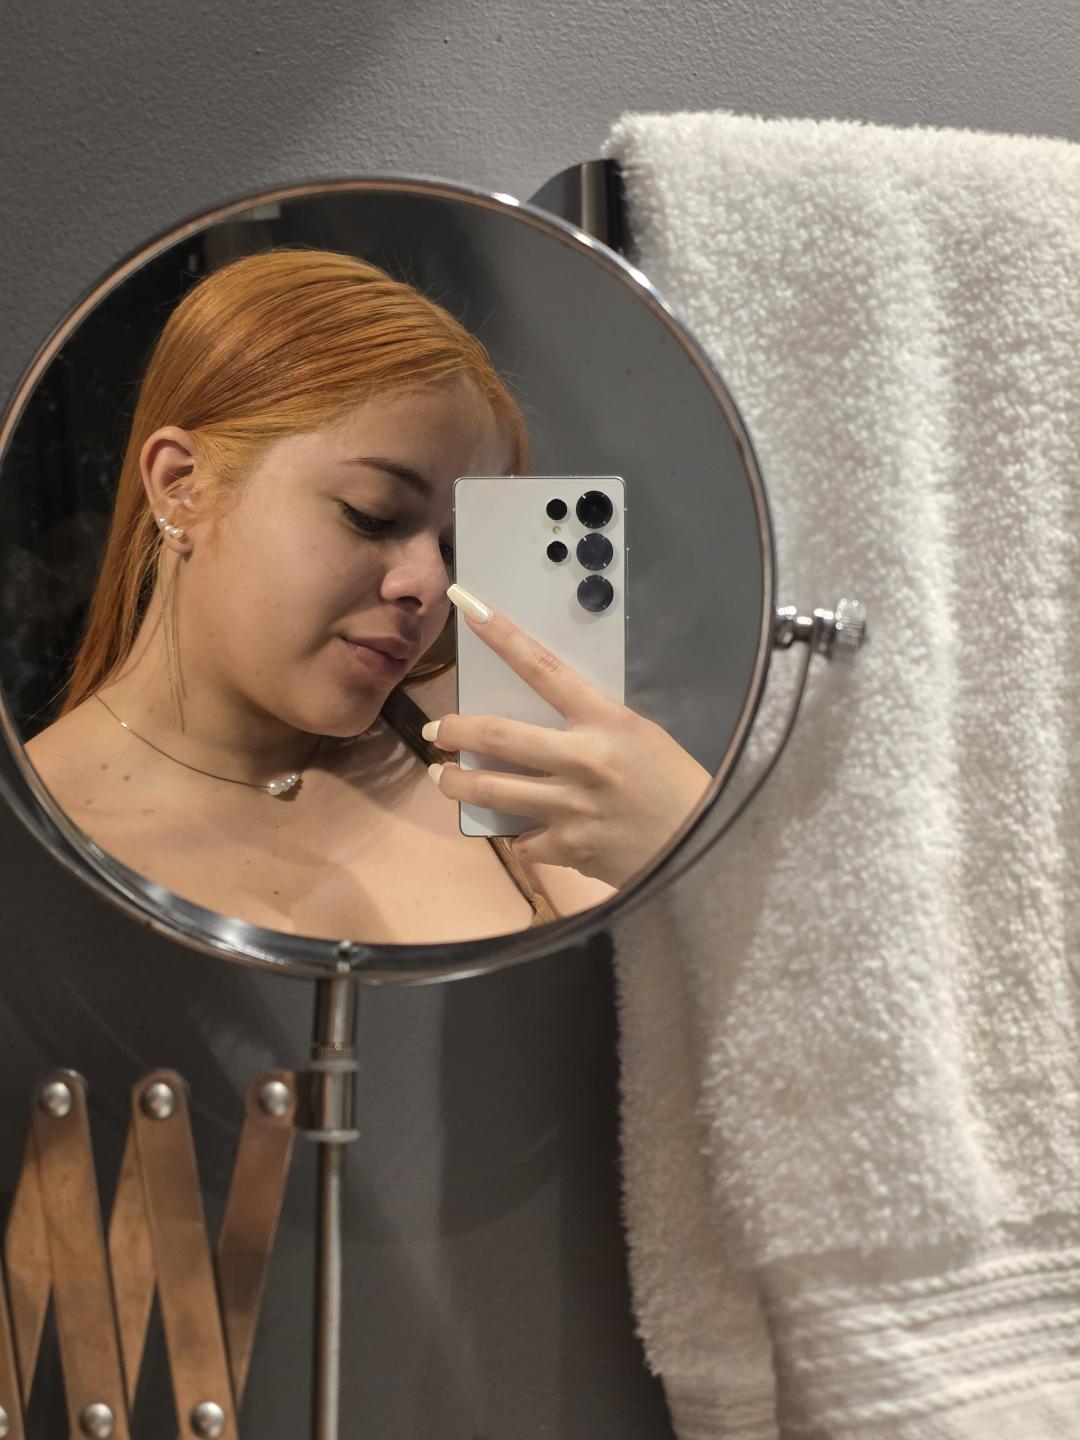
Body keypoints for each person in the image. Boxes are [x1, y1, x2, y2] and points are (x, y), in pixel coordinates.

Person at [26, 248, 711, 943]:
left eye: (455, 548)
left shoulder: (481, 742)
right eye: (373, 515)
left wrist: (692, 838)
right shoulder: (35, 843)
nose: (432, 587)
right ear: (181, 487)